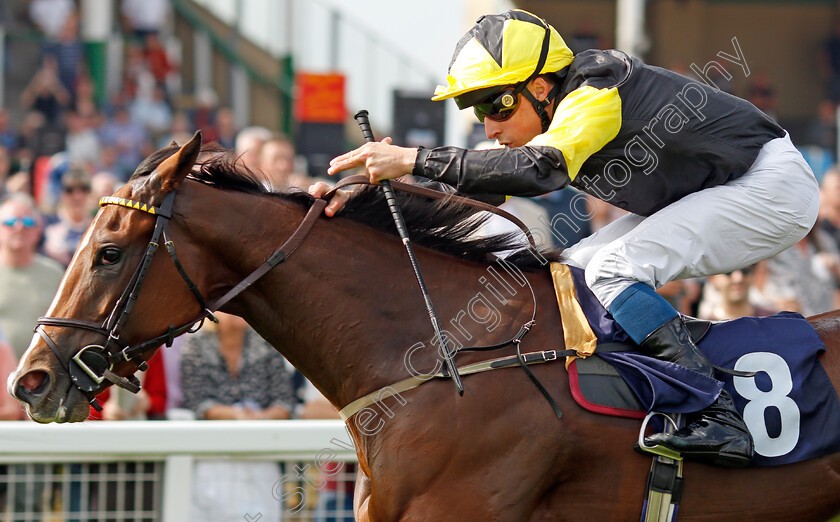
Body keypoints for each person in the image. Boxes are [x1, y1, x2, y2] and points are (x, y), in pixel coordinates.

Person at [313, 10, 820, 467]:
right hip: (720, 186)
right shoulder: (552, 113)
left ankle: (718, 413)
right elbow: (486, 187)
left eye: (497, 104)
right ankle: (636, 398)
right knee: (570, 273)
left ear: (541, 85)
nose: (489, 127)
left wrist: (414, 158)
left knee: (610, 270)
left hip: (769, 184)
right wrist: (358, 196)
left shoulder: (596, 88)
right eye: (477, 111)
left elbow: (538, 171)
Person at [181, 312, 295, 521]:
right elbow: (197, 401)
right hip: (212, 455)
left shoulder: (266, 344)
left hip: (261, 453)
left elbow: (285, 402)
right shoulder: (196, 344)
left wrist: (259, 418)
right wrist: (237, 415)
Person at [0, 193, 65, 359]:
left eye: (28, 222)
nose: (19, 227)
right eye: (10, 222)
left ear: (38, 230)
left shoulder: (55, 274)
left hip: (42, 375)